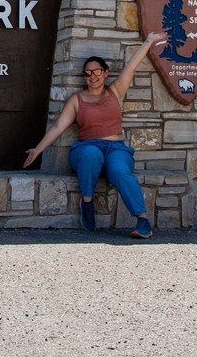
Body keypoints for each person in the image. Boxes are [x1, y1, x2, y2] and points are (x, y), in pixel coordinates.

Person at [23, 31, 166, 238]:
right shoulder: (76, 100)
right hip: (87, 148)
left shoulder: (115, 91)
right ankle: (87, 202)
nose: (92, 77)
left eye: (96, 72)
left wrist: (149, 41)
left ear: (105, 73)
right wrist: (38, 150)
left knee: (120, 172)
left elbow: (131, 67)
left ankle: (142, 220)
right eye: (88, 73)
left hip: (116, 148)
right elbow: (57, 128)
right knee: (92, 154)